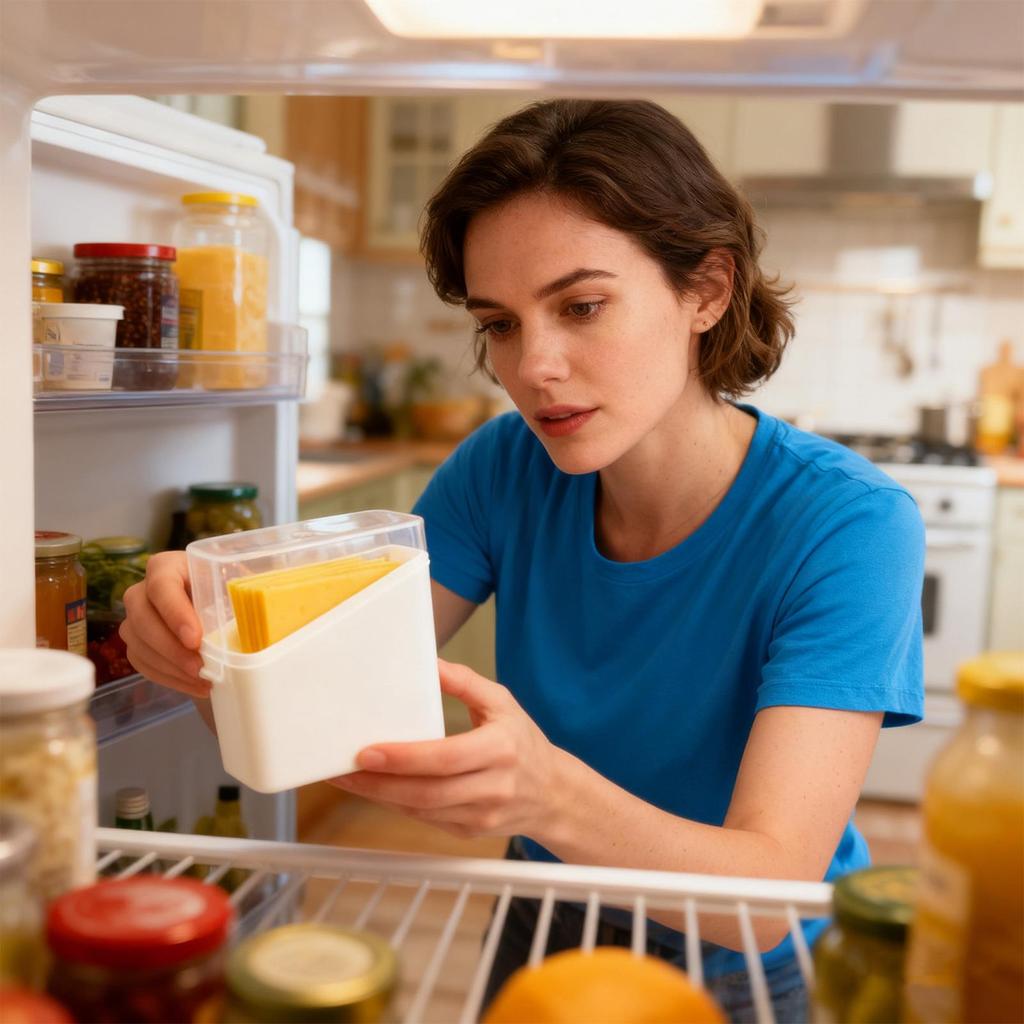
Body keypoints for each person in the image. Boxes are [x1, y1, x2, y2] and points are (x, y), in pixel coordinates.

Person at [121, 99, 924, 1023]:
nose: (533, 366)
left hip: (738, 957)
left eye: (582, 306)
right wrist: (207, 654)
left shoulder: (847, 525)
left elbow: (765, 894)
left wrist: (545, 796)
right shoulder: (502, 469)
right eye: (499, 323)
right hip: (549, 902)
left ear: (706, 289)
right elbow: (312, 704)